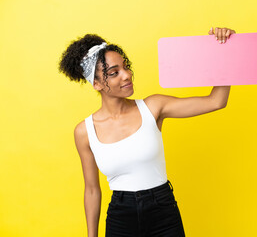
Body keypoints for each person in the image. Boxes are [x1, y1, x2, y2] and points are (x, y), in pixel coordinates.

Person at [58, 26, 235, 237]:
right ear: (96, 83)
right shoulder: (84, 132)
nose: (127, 75)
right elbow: (92, 190)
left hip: (163, 211)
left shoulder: (153, 107)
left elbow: (216, 101)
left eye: (126, 67)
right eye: (114, 73)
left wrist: (225, 51)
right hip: (120, 217)